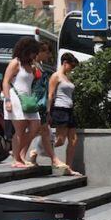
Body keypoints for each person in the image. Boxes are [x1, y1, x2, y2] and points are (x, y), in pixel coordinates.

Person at [27, 43, 72, 172]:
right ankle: (20, 152)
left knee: (43, 132)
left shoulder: (39, 66)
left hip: (40, 104)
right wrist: (48, 109)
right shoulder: (33, 66)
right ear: (39, 52)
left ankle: (33, 154)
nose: (49, 56)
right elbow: (39, 88)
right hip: (36, 104)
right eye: (47, 53)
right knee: (38, 132)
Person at [2, 37, 42, 168]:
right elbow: (6, 81)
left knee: (35, 126)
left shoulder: (31, 65)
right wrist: (7, 100)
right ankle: (17, 159)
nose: (35, 55)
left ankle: (19, 153)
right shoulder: (15, 63)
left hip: (28, 99)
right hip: (15, 97)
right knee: (19, 130)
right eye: (33, 52)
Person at [47, 53, 81, 176]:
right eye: (71, 66)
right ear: (65, 62)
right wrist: (48, 111)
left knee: (74, 140)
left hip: (69, 110)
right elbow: (50, 94)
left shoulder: (67, 77)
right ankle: (37, 150)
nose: (72, 69)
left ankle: (68, 168)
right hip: (60, 109)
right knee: (60, 140)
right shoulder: (56, 76)